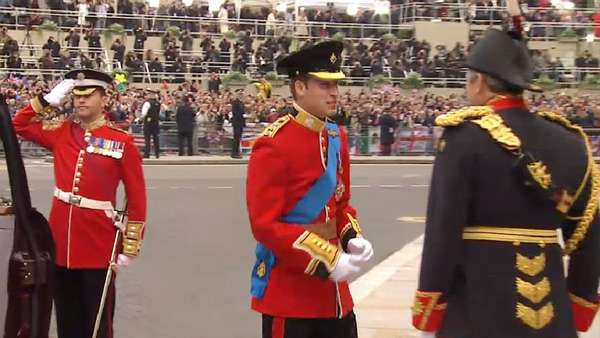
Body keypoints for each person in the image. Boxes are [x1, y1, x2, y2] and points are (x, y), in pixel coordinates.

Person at [411, 2, 600, 337]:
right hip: (552, 317)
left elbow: (444, 234)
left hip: (475, 313)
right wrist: (579, 305)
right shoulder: (572, 142)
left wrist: (430, 308)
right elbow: (587, 237)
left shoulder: (463, 139)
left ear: (479, 82)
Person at [246, 40, 374, 338]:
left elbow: (341, 205)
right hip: (291, 298)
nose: (334, 93)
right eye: (324, 84)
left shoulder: (336, 136)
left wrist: (352, 237)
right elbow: (265, 226)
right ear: (300, 88)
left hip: (336, 298)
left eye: (336, 84)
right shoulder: (273, 143)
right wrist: (328, 259)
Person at [12, 69, 147, 338]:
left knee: (97, 323)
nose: (81, 101)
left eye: (89, 95)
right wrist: (48, 100)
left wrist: (129, 248)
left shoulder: (121, 142)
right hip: (60, 243)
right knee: (66, 320)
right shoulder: (62, 132)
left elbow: (137, 199)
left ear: (104, 99)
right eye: (76, 95)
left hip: (99, 245)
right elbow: (19, 124)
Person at [141, 89, 161, 158]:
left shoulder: (147, 103)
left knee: (147, 138)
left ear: (150, 95)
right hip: (156, 122)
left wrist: (140, 118)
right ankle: (157, 153)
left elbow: (144, 113)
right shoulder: (158, 103)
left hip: (148, 122)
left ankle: (147, 153)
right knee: (156, 138)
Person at [230, 88, 246, 158]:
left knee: (238, 138)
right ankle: (234, 153)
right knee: (236, 138)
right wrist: (242, 115)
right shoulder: (235, 102)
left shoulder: (241, 103)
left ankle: (237, 152)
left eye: (241, 94)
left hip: (240, 122)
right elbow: (235, 113)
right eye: (239, 94)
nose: (241, 95)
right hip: (237, 122)